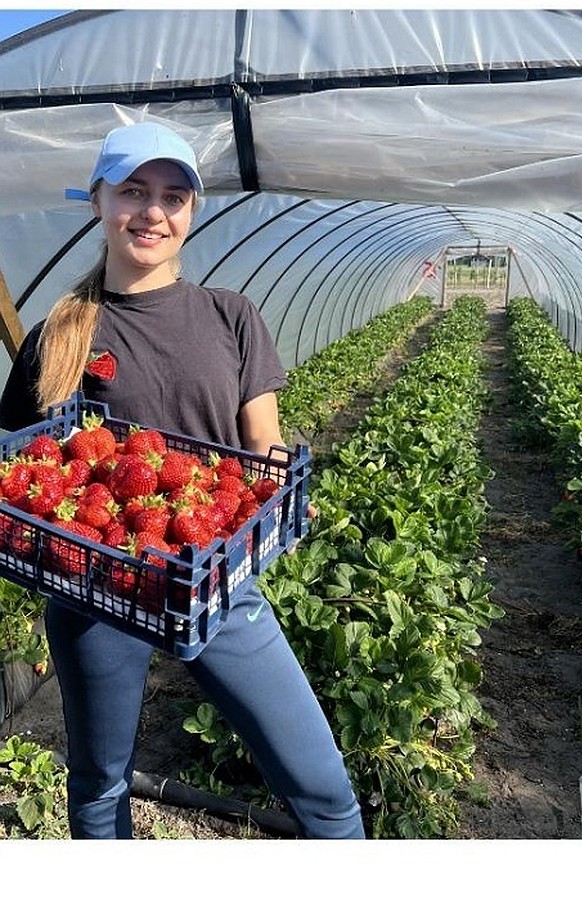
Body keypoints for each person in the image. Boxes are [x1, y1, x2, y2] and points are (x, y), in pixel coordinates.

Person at [0, 121, 364, 839]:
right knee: (101, 788)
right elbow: (23, 464)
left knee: (323, 790)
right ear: (97, 202)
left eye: (172, 195)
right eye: (132, 191)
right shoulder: (59, 333)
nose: (152, 211)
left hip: (219, 579)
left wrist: (284, 476)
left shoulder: (231, 316)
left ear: (192, 211)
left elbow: (263, 442)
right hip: (96, 587)